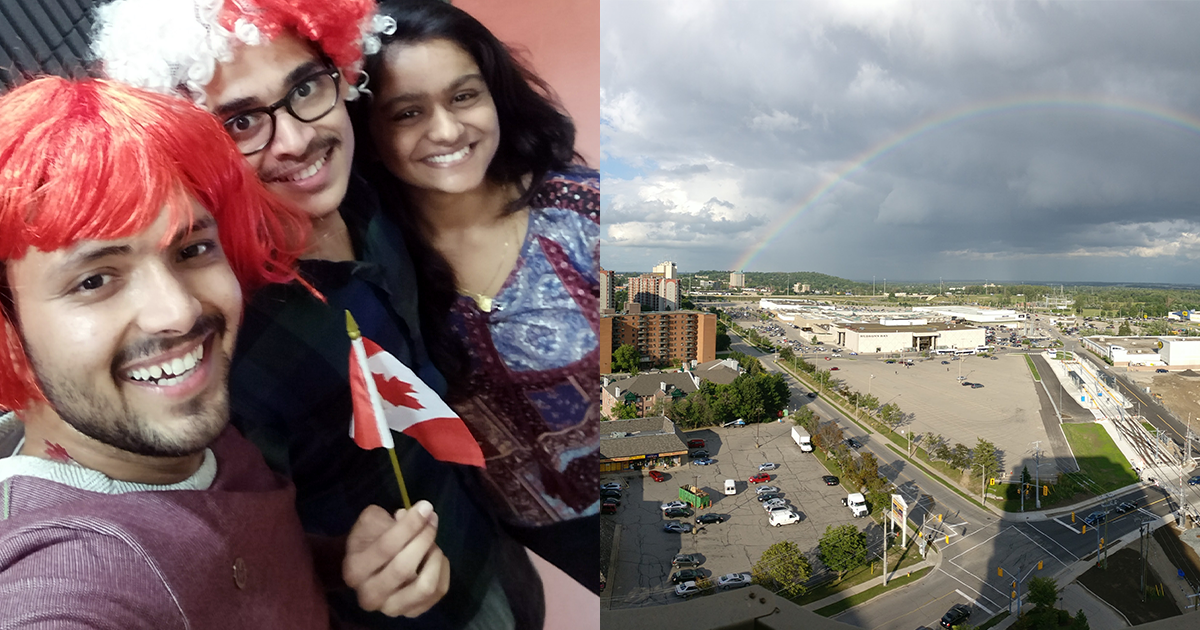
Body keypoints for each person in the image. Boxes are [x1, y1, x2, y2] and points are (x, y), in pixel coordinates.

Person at [90, 2, 540, 628]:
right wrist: (341, 566)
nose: (298, 139)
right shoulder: (213, 333)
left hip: (492, 544)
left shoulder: (366, 193)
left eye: (304, 88)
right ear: (189, 146)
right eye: (241, 121)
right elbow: (226, 545)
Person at [0, 76, 445, 626]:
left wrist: (338, 564)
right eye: (95, 280)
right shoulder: (66, 580)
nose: (179, 312)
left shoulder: (206, 442)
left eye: (193, 248)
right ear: (9, 332)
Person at [355, 0, 599, 592]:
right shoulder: (372, 266)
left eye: (464, 96)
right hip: (522, 539)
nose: (446, 130)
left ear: (495, 95)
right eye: (408, 112)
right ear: (369, 131)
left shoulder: (586, 213)